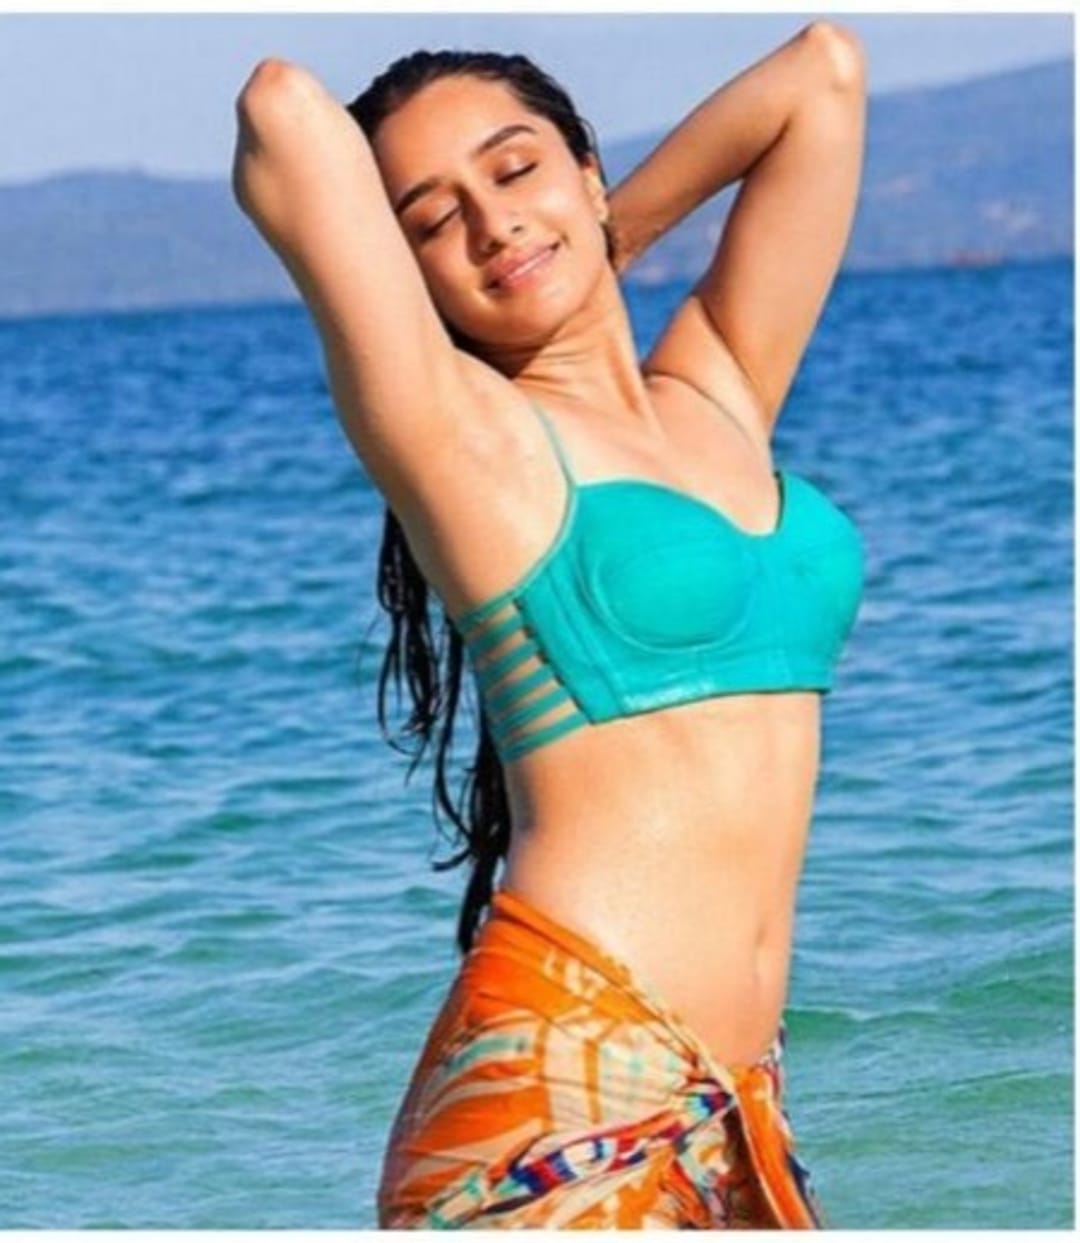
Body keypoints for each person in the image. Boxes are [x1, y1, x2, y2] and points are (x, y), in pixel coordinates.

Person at [232, 20, 867, 1228]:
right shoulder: (467, 441)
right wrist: (531, 240)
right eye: (434, 220)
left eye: (516, 170)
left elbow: (823, 78)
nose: (492, 223)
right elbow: (278, 111)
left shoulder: (721, 390)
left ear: (586, 167)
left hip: (733, 1102)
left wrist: (603, 235)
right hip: (559, 1087)